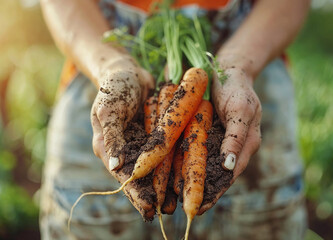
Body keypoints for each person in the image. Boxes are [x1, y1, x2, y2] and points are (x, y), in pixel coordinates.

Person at [39, 0, 310, 239]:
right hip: (95, 62)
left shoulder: (203, 78)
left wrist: (236, 65)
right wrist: (112, 65)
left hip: (252, 70)